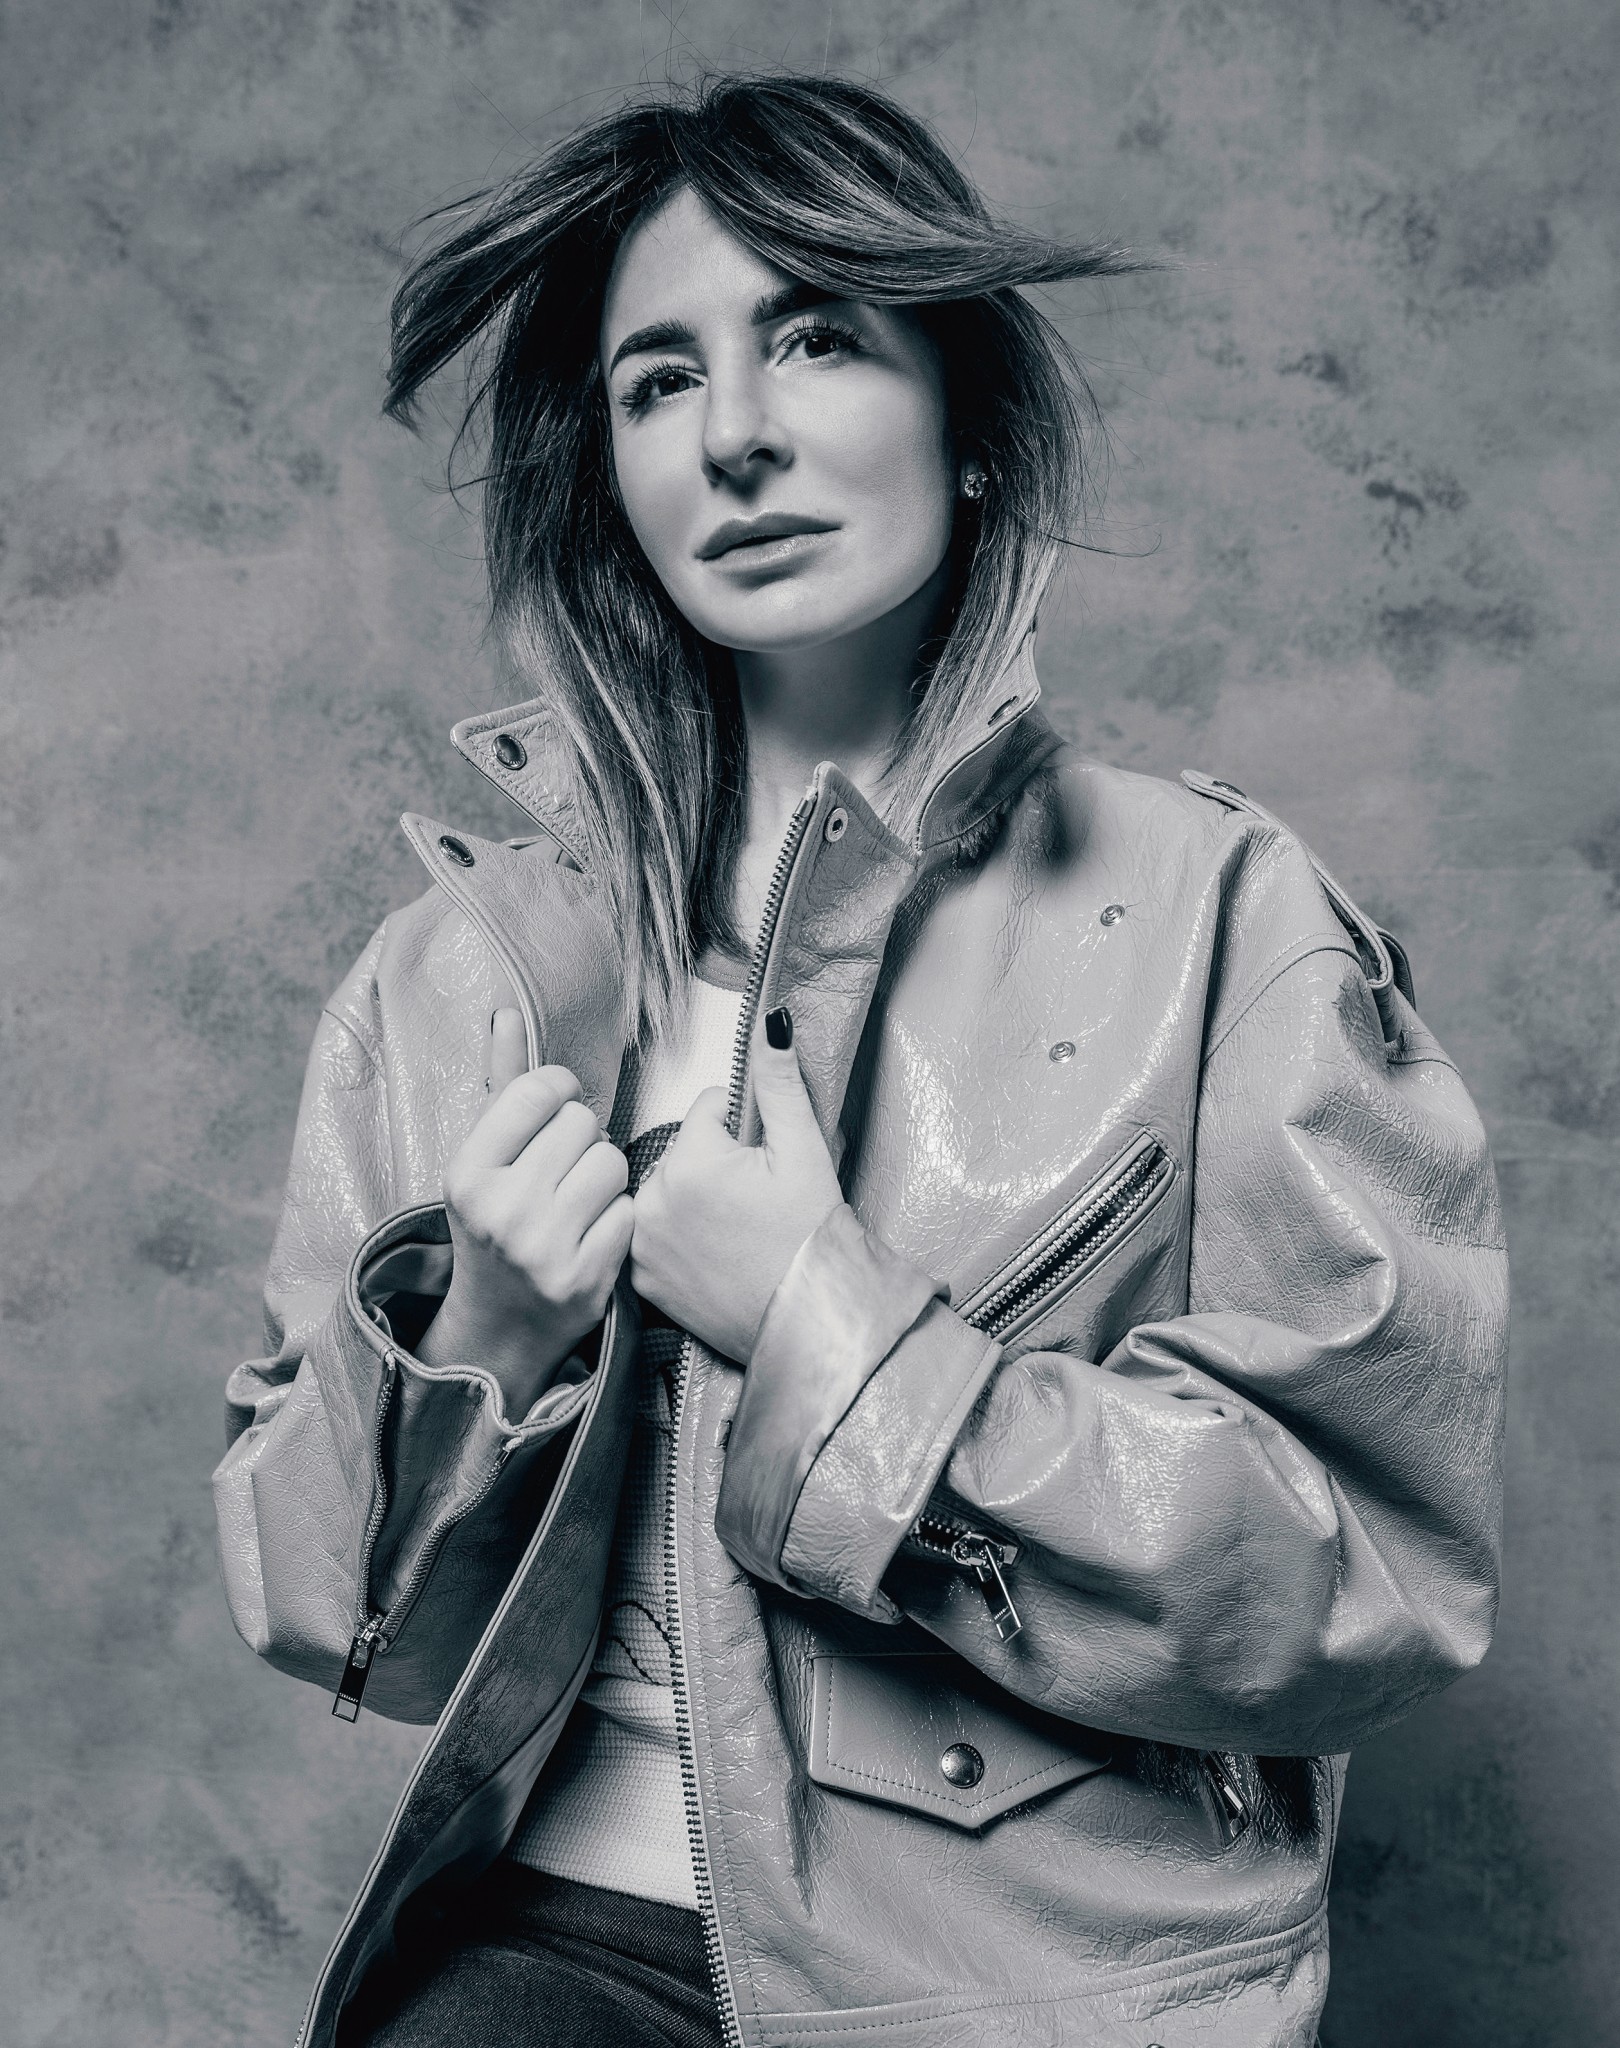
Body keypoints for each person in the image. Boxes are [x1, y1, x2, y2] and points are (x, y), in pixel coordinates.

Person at [213, 74, 1508, 2048]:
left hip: (1031, 1983)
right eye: (659, 381)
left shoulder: (1224, 915)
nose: (734, 431)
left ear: (967, 423)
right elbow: (338, 1624)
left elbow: (1369, 1580)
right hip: (554, 1947)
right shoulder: (461, 978)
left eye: (816, 338)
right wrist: (480, 1344)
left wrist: (837, 1333)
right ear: (614, 477)